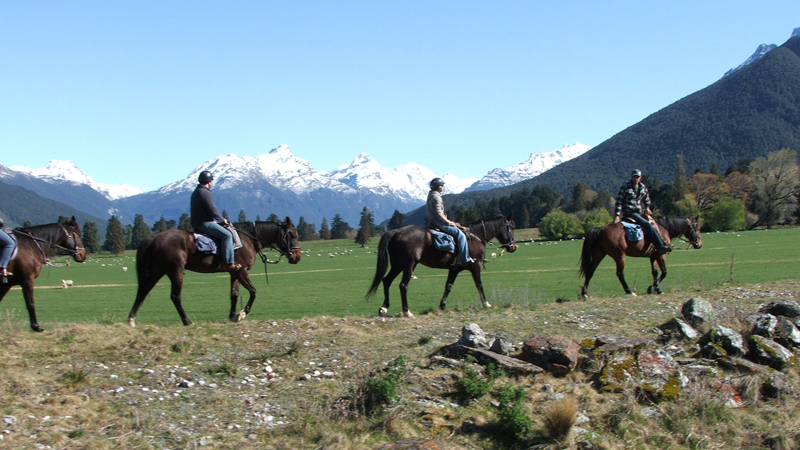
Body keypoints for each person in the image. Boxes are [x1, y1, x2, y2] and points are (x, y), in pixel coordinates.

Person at [190, 171, 241, 271]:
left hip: (198, 222)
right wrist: (222, 220)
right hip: (205, 223)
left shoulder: (197, 191)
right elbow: (212, 209)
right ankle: (228, 263)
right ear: (209, 181)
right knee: (227, 235)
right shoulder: (205, 193)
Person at [614, 169, 671, 255]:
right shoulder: (626, 187)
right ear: (631, 177)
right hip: (629, 212)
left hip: (639, 212)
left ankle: (653, 244)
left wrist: (647, 208)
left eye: (637, 177)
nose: (635, 178)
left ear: (640, 177)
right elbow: (619, 201)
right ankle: (660, 246)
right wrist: (617, 215)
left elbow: (646, 199)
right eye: (634, 177)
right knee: (646, 224)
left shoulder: (642, 187)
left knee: (653, 223)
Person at [426, 177, 474, 266]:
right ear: (439, 187)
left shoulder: (430, 195)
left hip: (432, 222)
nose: (443, 187)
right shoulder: (437, 197)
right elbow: (438, 213)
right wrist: (448, 221)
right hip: (439, 222)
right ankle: (465, 259)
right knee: (461, 235)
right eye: (442, 185)